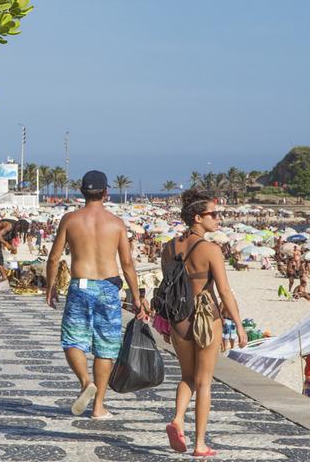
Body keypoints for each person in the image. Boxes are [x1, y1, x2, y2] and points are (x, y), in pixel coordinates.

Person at [46, 170, 147, 420]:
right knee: (106, 346)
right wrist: (136, 297)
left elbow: (54, 257)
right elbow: (127, 265)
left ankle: (84, 382)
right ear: (105, 192)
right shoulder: (116, 223)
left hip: (81, 285)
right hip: (109, 288)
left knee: (72, 340)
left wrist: (49, 288)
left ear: (81, 192)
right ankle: (99, 406)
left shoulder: (70, 220)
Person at [161, 188, 246, 457]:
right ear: (198, 217)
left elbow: (169, 286)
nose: (218, 219)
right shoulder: (210, 250)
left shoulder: (169, 247)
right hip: (206, 317)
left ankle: (177, 418)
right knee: (204, 382)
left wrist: (164, 322)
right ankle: (199, 444)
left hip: (178, 318)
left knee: (186, 376)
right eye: (214, 214)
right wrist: (240, 327)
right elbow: (224, 292)